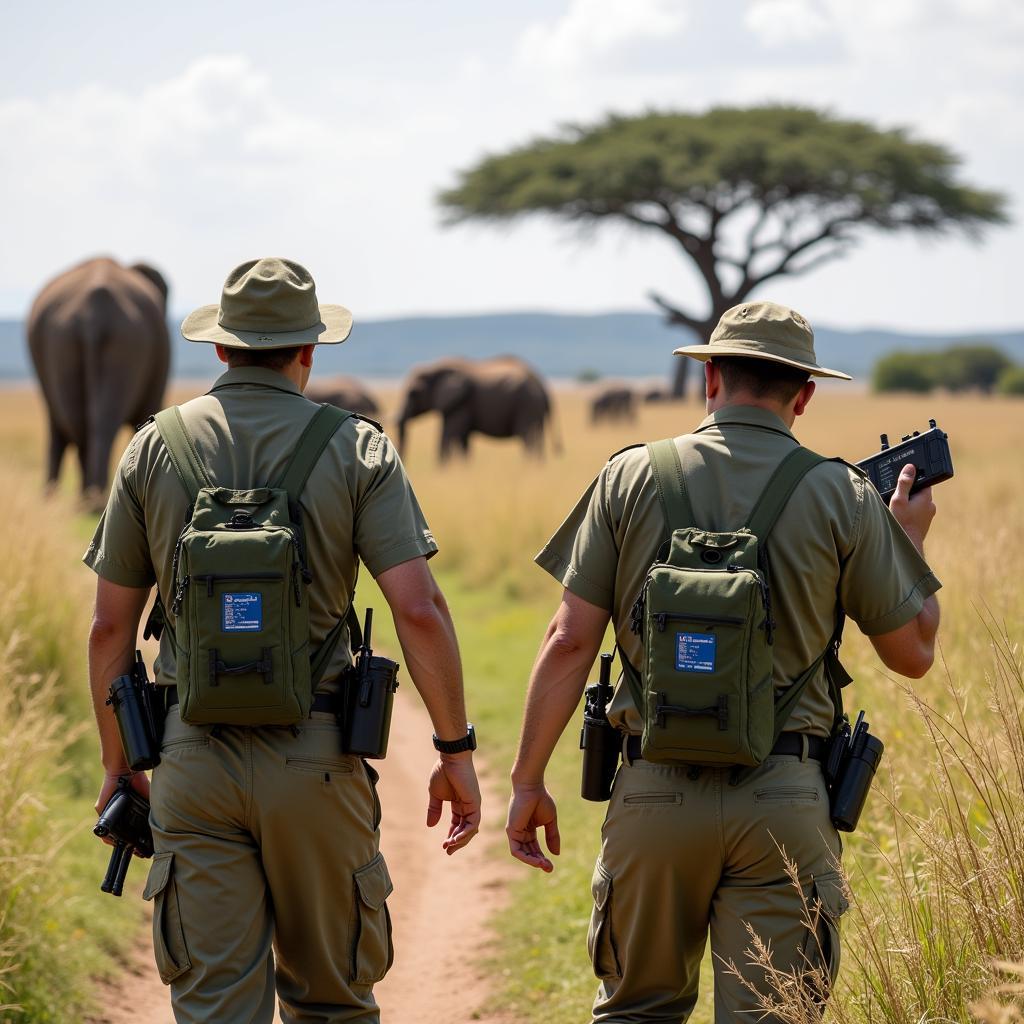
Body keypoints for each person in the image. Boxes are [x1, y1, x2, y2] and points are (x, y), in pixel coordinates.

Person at [506, 301, 940, 1022]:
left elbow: (568, 641)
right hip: (785, 802)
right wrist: (911, 536)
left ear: (709, 378)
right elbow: (916, 654)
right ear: (803, 394)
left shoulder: (628, 476)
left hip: (651, 796)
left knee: (635, 1014)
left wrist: (526, 781)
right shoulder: (844, 493)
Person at [85, 257, 481, 1023]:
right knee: (331, 1002)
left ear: (221, 349)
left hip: (192, 760)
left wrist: (119, 763)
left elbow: (110, 626)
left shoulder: (152, 447)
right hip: (320, 762)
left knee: (215, 1009)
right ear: (309, 351)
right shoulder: (358, 447)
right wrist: (453, 751)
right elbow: (420, 609)